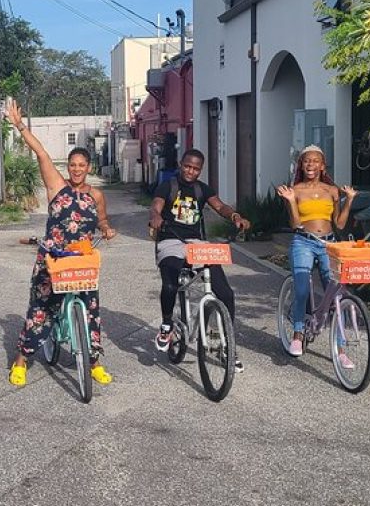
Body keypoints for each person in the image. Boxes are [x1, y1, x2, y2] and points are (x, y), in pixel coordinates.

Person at [5, 98, 117, 387]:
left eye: (82, 165)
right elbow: (40, 152)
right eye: (73, 165)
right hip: (52, 259)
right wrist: (19, 126)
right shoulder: (57, 186)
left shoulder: (96, 195)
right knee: (40, 309)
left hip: (82, 261)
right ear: (67, 166)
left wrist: (106, 229)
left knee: (91, 310)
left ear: (88, 167)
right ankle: (21, 362)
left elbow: (102, 220)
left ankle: (93, 363)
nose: (77, 169)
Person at [149, 148, 251, 371]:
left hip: (197, 244)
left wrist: (234, 216)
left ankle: (228, 348)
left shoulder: (201, 189)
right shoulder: (168, 185)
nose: (190, 171)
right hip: (171, 242)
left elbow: (219, 205)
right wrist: (155, 216)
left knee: (225, 293)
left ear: (200, 170)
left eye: (195, 168)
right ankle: (167, 325)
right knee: (170, 283)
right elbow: (156, 204)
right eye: (187, 166)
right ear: (180, 164)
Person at [276, 144, 357, 364]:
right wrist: (291, 201)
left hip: (329, 245)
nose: (310, 164)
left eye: (315, 161)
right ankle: (298, 334)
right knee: (302, 290)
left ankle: (341, 350)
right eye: (306, 161)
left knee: (337, 296)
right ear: (301, 165)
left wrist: (349, 200)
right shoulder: (296, 190)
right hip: (304, 242)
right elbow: (295, 224)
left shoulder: (332, 191)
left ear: (322, 165)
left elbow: (339, 224)